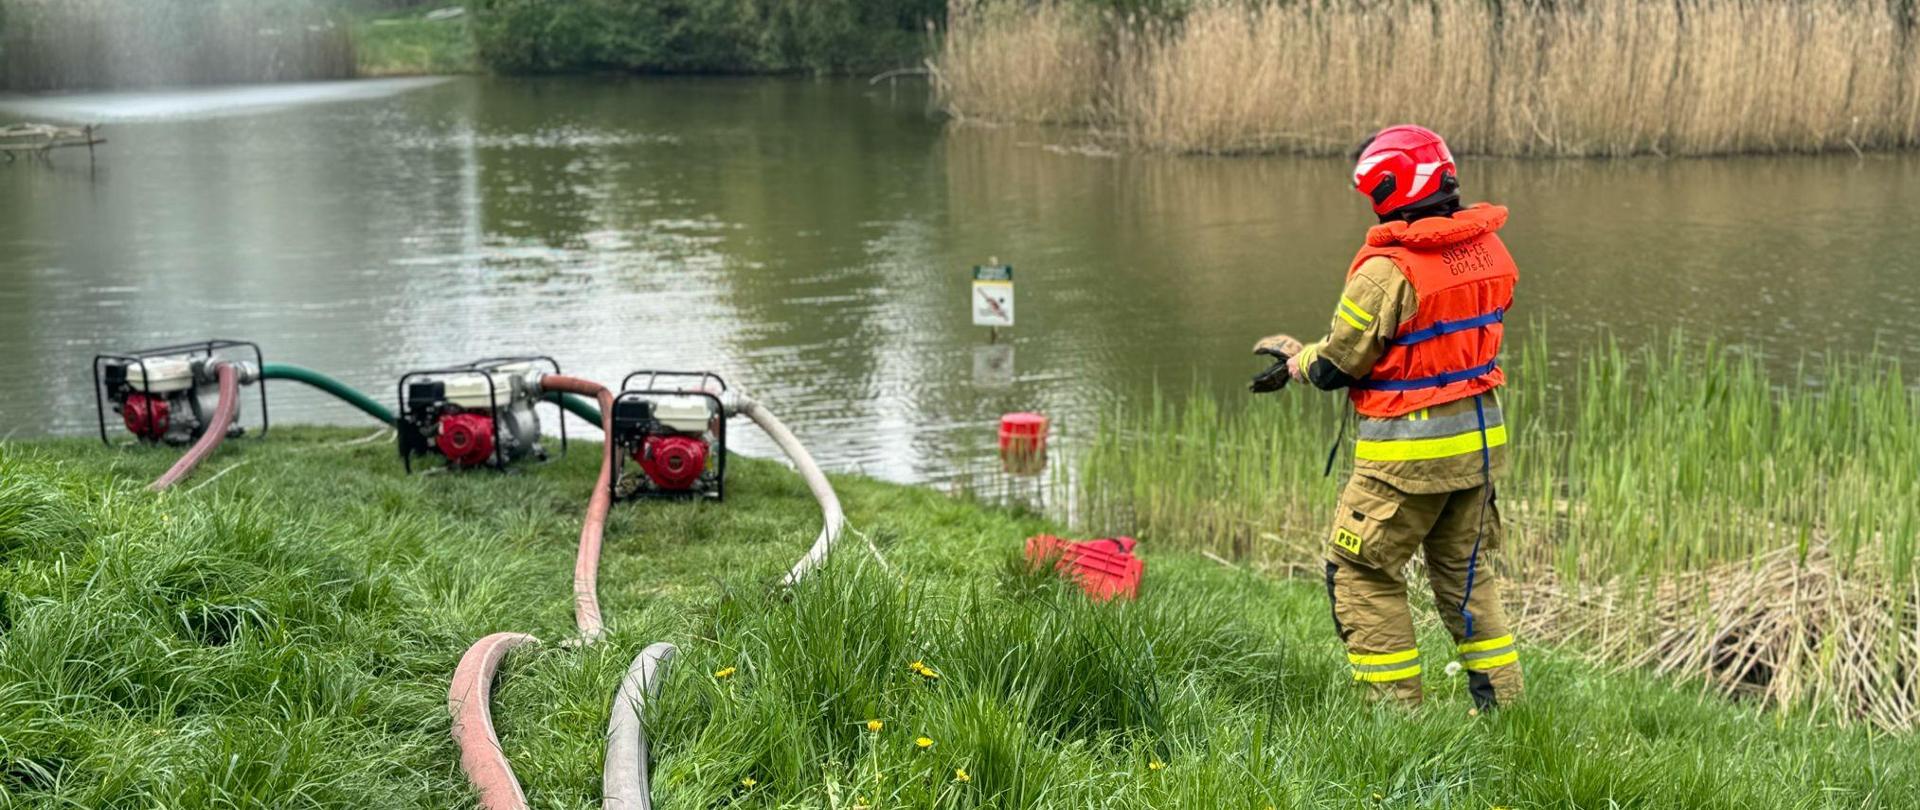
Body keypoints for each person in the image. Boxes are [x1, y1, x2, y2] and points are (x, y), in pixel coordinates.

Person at [1255, 125, 1522, 710]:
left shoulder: (1387, 271)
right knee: (1468, 579)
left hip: (1406, 458)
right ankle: (1507, 718)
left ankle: (1397, 723)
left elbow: (1338, 365)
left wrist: (1295, 359)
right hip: (1477, 450)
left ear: (1388, 189)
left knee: (1360, 572)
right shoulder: (1491, 253)